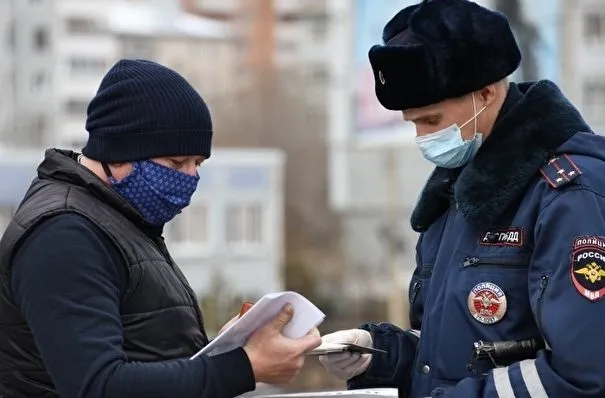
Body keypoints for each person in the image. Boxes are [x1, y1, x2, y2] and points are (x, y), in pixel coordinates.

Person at [319, 0, 605, 397]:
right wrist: (382, 356)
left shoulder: (569, 194)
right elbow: (457, 349)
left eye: (431, 120)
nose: (422, 138)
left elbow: (585, 375)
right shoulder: (458, 191)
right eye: (413, 122)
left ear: (486, 93)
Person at [0, 59, 320, 398]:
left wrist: (226, 350)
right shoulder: (64, 235)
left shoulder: (121, 220)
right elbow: (99, 386)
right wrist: (243, 366)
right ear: (119, 152)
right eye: (176, 162)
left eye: (198, 163)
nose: (190, 177)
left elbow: (145, 353)